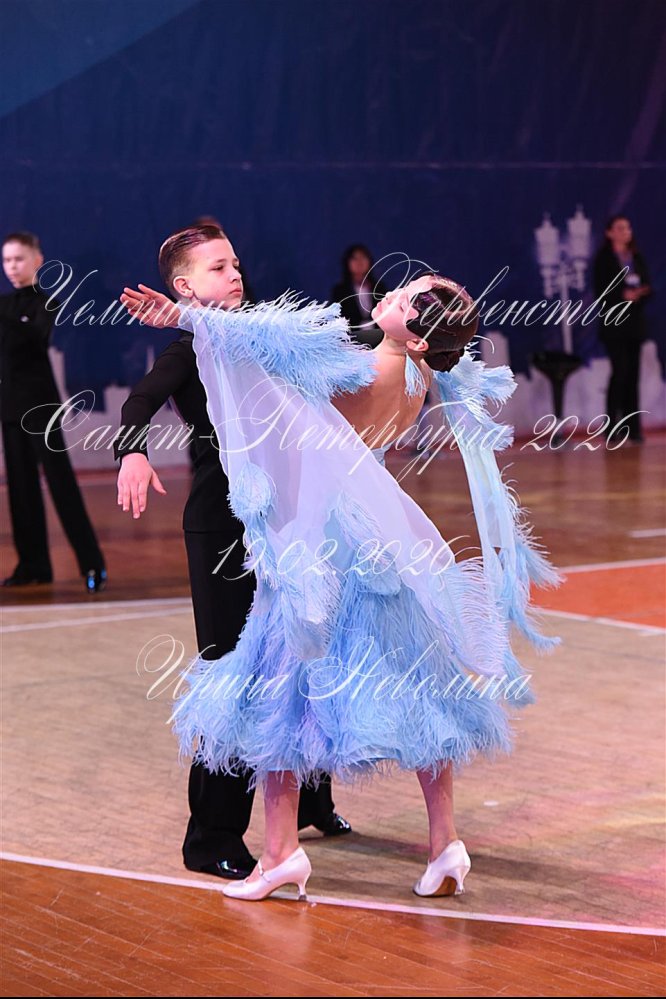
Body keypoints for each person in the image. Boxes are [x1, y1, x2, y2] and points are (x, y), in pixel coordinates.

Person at [121, 268, 559, 903]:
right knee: (419, 689)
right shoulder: (422, 374)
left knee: (280, 691)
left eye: (406, 300)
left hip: (325, 547)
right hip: (380, 540)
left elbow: (268, 355)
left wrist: (190, 317)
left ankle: (280, 854)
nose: (390, 294)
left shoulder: (359, 372)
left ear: (417, 336)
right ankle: (445, 843)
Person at [115, 225, 351, 882]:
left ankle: (310, 800)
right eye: (218, 267)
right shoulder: (190, 347)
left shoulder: (260, 335)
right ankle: (211, 835)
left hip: (289, 524)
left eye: (236, 263)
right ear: (185, 287)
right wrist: (131, 451)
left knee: (302, 656)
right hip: (223, 531)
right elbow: (139, 400)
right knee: (236, 675)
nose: (235, 273)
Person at [0, 231, 107, 592]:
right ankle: (33, 565)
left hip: (40, 407)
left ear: (37, 260)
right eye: (7, 260)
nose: (12, 266)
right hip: (10, 407)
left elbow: (34, 338)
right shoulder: (5, 305)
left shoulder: (46, 303)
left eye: (18, 259)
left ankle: (92, 563)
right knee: (20, 489)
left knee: (61, 485)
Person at [592, 215, 652, 444]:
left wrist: (640, 294)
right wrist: (621, 296)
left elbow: (648, 284)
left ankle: (633, 428)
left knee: (633, 376)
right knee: (620, 372)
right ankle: (612, 427)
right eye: (620, 228)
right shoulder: (604, 260)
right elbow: (601, 292)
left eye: (627, 228)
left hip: (634, 324)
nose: (625, 232)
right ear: (609, 233)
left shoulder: (636, 257)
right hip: (614, 325)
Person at [330, 244, 388, 347]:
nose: (359, 262)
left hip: (379, 337)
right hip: (352, 340)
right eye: (355, 258)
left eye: (363, 257)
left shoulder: (379, 288)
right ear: (347, 263)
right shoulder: (340, 291)